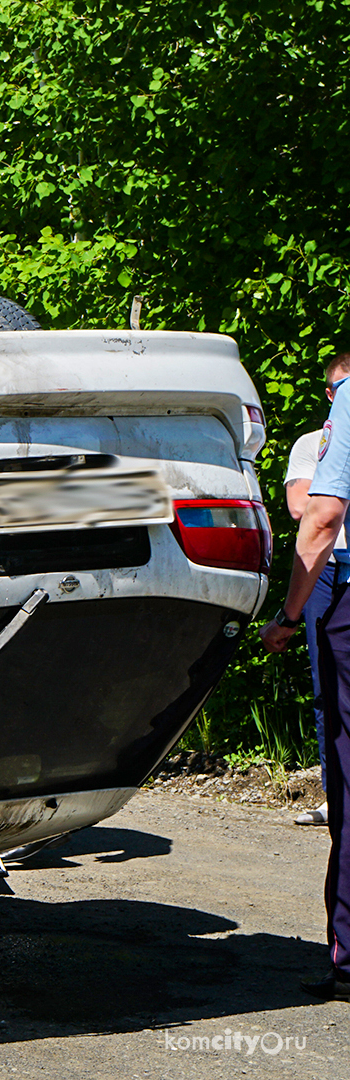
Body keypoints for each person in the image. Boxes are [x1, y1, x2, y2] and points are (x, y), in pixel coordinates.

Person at [262, 354, 350, 1003]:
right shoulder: (309, 440)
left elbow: (317, 516)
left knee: (346, 767)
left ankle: (348, 957)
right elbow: (299, 501)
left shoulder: (348, 404)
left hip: (335, 586)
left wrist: (288, 615)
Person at [284, 355, 350, 826]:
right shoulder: (313, 443)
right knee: (327, 684)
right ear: (330, 395)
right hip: (325, 568)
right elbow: (300, 506)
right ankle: (334, 793)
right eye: (339, 387)